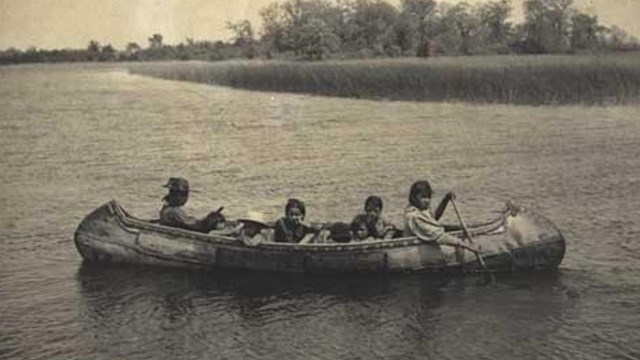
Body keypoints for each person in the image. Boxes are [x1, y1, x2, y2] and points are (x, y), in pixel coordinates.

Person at [403, 180, 480, 253]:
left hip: (428, 238)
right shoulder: (414, 216)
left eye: (428, 197)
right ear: (413, 198)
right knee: (445, 230)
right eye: (423, 197)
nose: (427, 200)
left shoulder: (420, 210)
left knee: (457, 228)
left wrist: (445, 200)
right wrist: (467, 245)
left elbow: (434, 218)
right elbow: (439, 236)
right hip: (414, 248)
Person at [159, 177, 225, 233]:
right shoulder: (174, 211)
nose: (185, 199)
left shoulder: (167, 208)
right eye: (184, 195)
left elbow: (188, 222)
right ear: (177, 196)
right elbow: (193, 226)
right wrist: (209, 222)